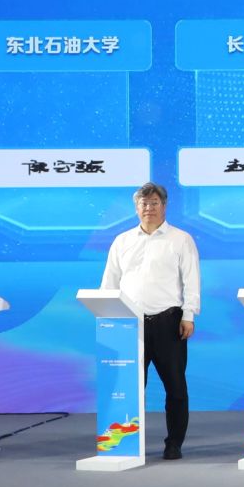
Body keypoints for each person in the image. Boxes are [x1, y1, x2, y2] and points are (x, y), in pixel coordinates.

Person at [100, 182, 201, 460]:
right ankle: (125, 441)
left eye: (154, 203)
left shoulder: (180, 239)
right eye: (144, 204)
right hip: (129, 323)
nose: (149, 208)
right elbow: (109, 282)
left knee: (175, 387)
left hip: (169, 322)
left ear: (164, 206)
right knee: (128, 388)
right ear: (136, 207)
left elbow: (191, 280)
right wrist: (107, 317)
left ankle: (174, 443)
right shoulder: (122, 241)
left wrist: (189, 315)